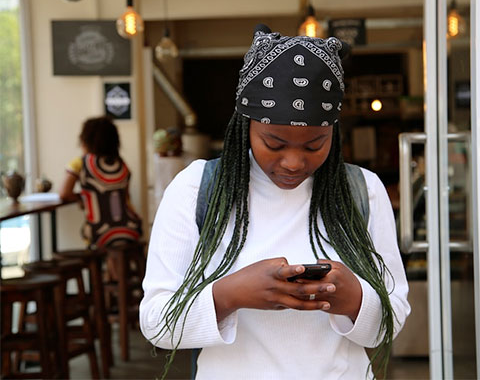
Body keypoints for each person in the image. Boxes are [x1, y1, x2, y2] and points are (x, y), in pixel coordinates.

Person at [140, 25, 410, 380]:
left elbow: (393, 318)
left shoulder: (362, 190)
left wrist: (355, 298)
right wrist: (230, 294)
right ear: (245, 125)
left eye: (315, 145)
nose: (294, 162)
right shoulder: (196, 189)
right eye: (275, 143)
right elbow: (157, 323)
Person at [59, 116, 142, 275]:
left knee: (104, 242)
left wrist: (82, 197)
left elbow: (64, 193)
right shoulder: (121, 164)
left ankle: (113, 286)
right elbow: (126, 198)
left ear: (85, 141)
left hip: (99, 231)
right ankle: (120, 286)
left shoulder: (80, 163)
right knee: (116, 248)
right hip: (131, 228)